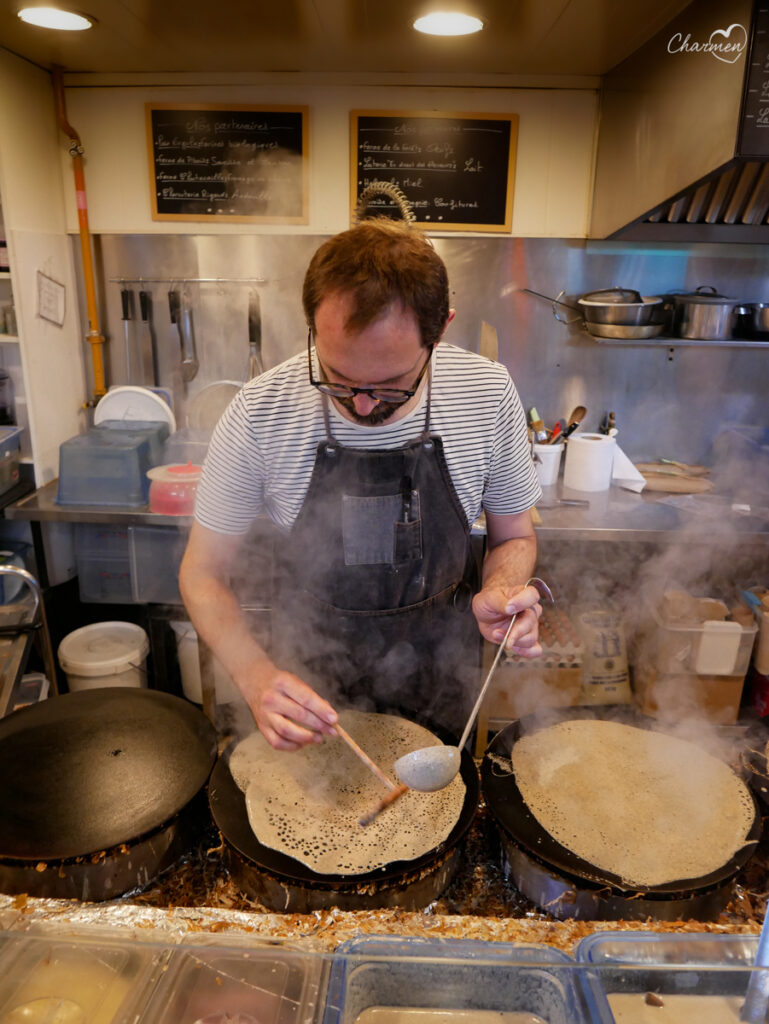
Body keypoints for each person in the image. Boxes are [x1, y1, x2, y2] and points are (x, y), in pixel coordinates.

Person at [179, 218, 543, 751]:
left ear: (440, 329)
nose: (364, 405)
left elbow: (515, 536)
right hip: (310, 680)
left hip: (441, 679)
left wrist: (501, 592)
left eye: (392, 385)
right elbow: (203, 572)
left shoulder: (486, 396)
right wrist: (255, 678)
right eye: (338, 379)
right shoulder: (261, 411)